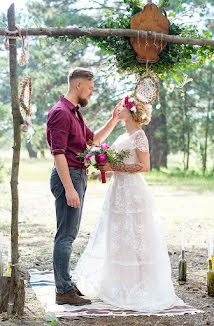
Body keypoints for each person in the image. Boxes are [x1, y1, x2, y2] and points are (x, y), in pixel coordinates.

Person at [74, 98, 179, 313]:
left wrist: (114, 166)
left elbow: (145, 166)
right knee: (117, 236)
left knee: (135, 237)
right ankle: (116, 285)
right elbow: (113, 161)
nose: (118, 109)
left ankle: (138, 285)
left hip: (133, 193)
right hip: (117, 191)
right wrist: (101, 166)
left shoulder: (139, 136)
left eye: (121, 107)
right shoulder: (122, 135)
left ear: (130, 113)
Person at [46, 67, 119, 306]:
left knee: (69, 233)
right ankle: (63, 290)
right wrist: (69, 188)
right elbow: (58, 154)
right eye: (89, 88)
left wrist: (114, 119)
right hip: (69, 177)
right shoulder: (60, 113)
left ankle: (65, 284)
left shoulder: (74, 113)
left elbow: (92, 140)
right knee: (65, 235)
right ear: (78, 85)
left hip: (78, 176)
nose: (91, 93)